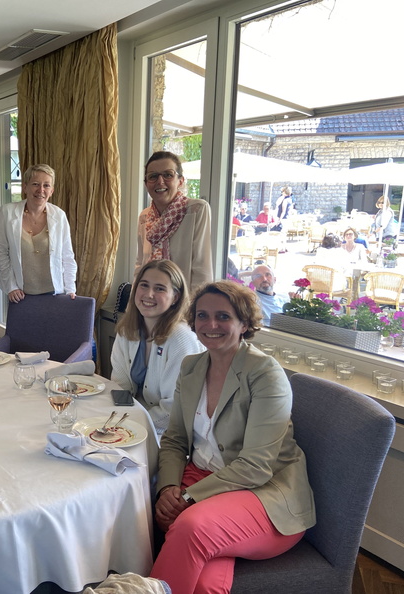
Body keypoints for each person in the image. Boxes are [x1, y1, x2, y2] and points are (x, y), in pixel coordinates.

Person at [150, 281, 315, 594]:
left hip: (265, 494)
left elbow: (256, 466)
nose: (211, 324)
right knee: (205, 583)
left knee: (191, 526)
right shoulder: (191, 367)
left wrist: (188, 498)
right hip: (202, 478)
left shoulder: (265, 373)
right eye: (202, 315)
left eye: (223, 317)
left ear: (245, 323)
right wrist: (169, 488)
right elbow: (174, 439)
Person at [110, 259, 204, 438]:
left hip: (171, 433)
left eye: (160, 288)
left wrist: (128, 425)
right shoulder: (127, 330)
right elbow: (120, 385)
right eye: (144, 285)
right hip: (132, 422)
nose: (149, 294)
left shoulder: (180, 338)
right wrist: (116, 422)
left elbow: (173, 409)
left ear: (175, 297)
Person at [0, 164, 77, 303]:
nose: (41, 190)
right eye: (35, 184)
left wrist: (70, 289)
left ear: (52, 191)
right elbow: (1, 252)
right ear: (25, 187)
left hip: (54, 293)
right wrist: (11, 286)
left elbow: (67, 256)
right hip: (20, 294)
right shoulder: (7, 212)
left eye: (46, 185)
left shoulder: (59, 216)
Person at [135, 151, 213, 289]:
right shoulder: (144, 217)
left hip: (183, 298)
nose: (160, 181)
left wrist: (196, 302)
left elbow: (202, 268)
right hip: (150, 297)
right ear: (146, 184)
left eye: (168, 175)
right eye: (153, 176)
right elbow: (140, 265)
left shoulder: (196, 210)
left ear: (180, 181)